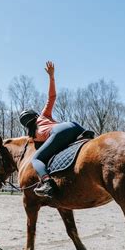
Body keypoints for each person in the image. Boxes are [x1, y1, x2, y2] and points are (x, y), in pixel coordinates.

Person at [19, 61, 86, 197]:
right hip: (74, 126)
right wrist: (51, 76)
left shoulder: (33, 136)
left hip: (59, 132)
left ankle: (47, 183)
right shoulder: (43, 116)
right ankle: (85, 136)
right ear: (35, 115)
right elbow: (52, 97)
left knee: (36, 159)